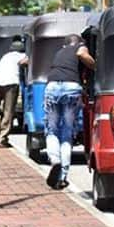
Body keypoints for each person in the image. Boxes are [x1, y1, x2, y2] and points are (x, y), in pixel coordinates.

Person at [44, 34, 95, 190]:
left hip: (51, 87)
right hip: (71, 88)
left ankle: (55, 161)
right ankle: (63, 176)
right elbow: (81, 54)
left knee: (52, 130)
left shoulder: (60, 52)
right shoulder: (79, 47)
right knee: (66, 132)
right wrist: (96, 66)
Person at [0, 36, 27, 148]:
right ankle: (3, 138)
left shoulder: (6, 56)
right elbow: (26, 62)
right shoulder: (22, 56)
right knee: (8, 110)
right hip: (11, 83)